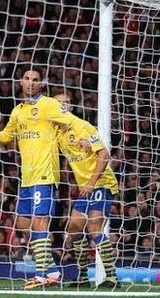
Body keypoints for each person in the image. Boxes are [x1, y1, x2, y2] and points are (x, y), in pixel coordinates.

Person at [0, 69, 85, 289]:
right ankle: (52, 271)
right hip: (26, 178)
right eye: (27, 79)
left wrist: (84, 138)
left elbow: (71, 121)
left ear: (41, 84)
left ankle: (43, 273)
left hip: (44, 174)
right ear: (20, 82)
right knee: (25, 223)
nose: (30, 83)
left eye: (35, 80)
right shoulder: (18, 111)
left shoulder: (49, 105)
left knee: (39, 222)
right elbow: (6, 137)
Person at [53, 93, 119, 288]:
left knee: (94, 227)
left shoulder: (82, 126)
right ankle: (82, 278)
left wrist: (91, 180)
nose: (63, 105)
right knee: (74, 228)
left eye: (66, 102)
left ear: (71, 107)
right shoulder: (58, 133)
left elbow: (105, 154)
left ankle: (112, 277)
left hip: (101, 182)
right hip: (85, 188)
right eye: (58, 103)